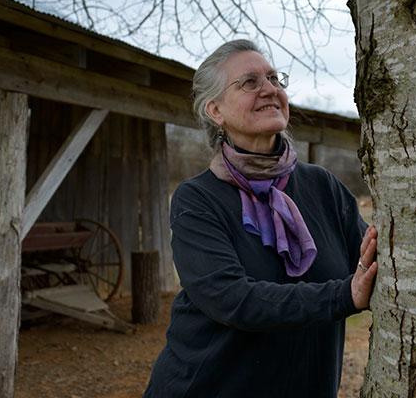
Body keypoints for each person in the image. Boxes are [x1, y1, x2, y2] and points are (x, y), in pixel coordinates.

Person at [144, 39, 378, 398]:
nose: (270, 90)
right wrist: (342, 296)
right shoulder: (198, 200)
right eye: (250, 82)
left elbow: (370, 263)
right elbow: (232, 299)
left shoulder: (322, 187)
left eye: (274, 79)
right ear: (215, 111)